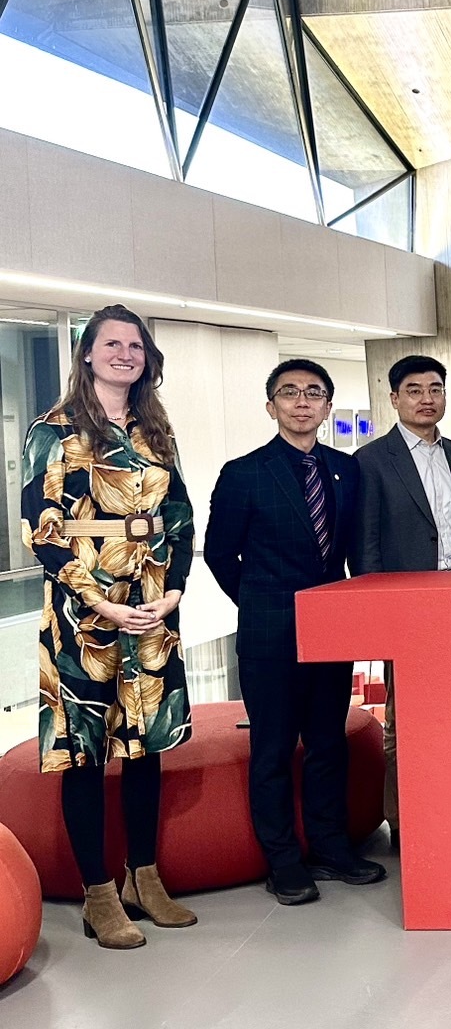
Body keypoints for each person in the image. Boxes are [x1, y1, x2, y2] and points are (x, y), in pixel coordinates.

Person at [21, 305, 197, 949]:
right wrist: (100, 602)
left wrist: (174, 589)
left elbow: (180, 515)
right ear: (88, 353)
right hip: (83, 611)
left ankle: (143, 878)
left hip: (151, 604)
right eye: (112, 344)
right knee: (86, 754)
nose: (126, 353)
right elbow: (38, 530)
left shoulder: (156, 429)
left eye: (136, 345)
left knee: (147, 747)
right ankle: (100, 894)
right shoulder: (54, 428)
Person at [204, 359, 386, 906]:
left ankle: (331, 848)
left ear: (328, 406)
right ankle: (282, 861)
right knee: (274, 750)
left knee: (328, 744)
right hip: (269, 635)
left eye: (314, 393)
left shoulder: (346, 469)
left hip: (331, 631)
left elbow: (352, 549)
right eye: (289, 393)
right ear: (271, 407)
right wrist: (260, 602)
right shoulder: (244, 472)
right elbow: (218, 553)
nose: (302, 402)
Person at [352, 355, 451, 847]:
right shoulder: (370, 460)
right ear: (394, 398)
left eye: (435, 389)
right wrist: (375, 612)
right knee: (404, 720)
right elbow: (364, 543)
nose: (426, 398)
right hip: (405, 607)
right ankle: (404, 823)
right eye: (414, 390)